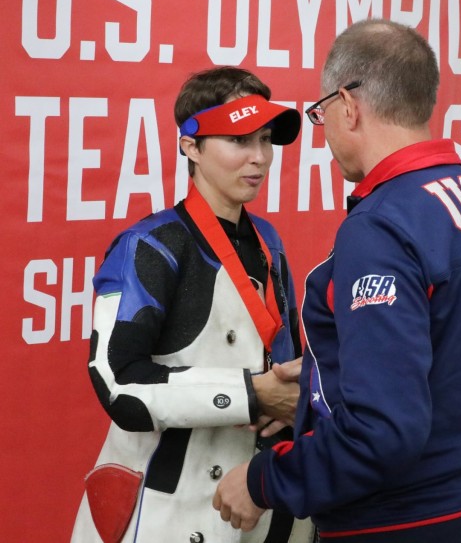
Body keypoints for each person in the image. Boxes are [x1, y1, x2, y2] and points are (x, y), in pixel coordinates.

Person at [212, 19, 461, 543]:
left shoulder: (381, 227)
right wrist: (320, 381)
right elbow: (447, 358)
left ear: (348, 106)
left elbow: (384, 431)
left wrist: (266, 481)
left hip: (397, 520)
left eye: (320, 116)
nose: (326, 133)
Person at [71, 67, 314, 542]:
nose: (260, 158)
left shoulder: (270, 242)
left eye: (265, 139)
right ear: (190, 146)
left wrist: (294, 398)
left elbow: (286, 365)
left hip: (258, 500)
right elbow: (117, 383)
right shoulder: (149, 245)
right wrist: (252, 394)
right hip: (168, 516)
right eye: (239, 140)